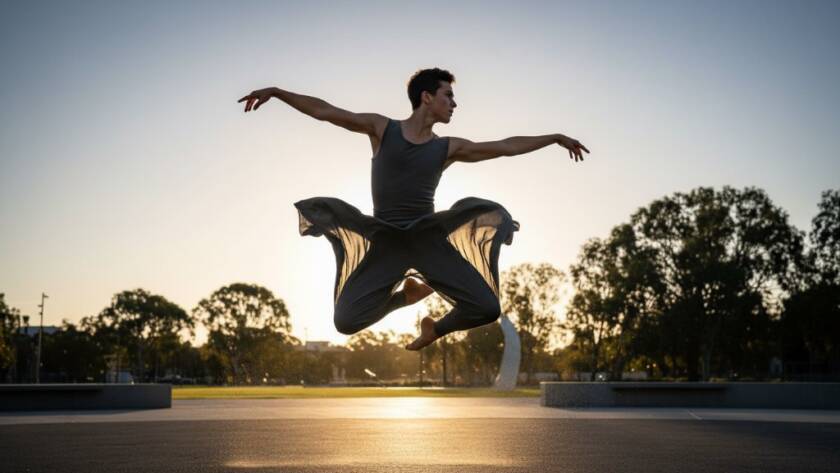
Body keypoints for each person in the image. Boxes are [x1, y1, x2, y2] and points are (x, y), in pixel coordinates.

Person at [239, 68, 588, 350]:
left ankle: (434, 328)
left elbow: (505, 147)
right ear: (427, 97)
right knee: (345, 322)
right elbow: (327, 112)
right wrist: (278, 92)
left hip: (427, 238)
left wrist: (554, 138)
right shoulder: (381, 129)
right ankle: (407, 295)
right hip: (385, 240)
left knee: (486, 307)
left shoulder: (448, 148)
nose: (454, 103)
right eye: (448, 95)